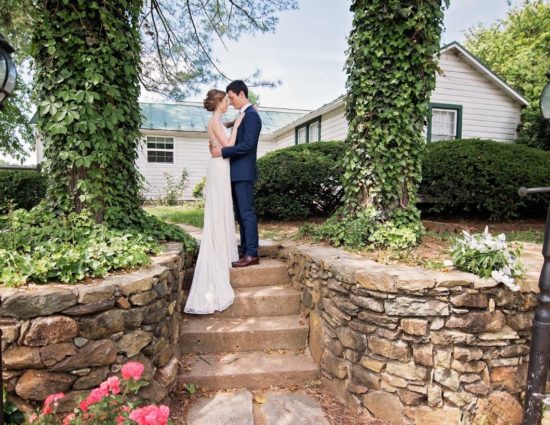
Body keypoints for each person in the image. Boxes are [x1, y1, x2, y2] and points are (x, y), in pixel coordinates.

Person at [184, 89, 244, 314]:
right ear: (219, 102)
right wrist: (237, 126)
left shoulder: (215, 121)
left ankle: (223, 249)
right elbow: (228, 144)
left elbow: (220, 133)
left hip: (218, 166)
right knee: (220, 209)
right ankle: (219, 254)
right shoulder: (216, 122)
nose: (228, 103)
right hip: (219, 167)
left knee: (220, 209)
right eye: (226, 100)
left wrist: (230, 123)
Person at [211, 80, 262, 268]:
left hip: (243, 173)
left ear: (241, 94)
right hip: (233, 173)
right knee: (240, 214)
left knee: (247, 213)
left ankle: (252, 253)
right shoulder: (243, 115)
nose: (230, 102)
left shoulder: (252, 116)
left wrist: (222, 152)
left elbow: (248, 145)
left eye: (231, 98)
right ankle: (244, 249)